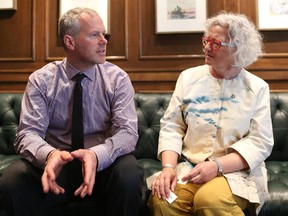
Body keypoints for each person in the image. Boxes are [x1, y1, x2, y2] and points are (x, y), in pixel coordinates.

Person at [0, 7, 143, 216]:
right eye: (95, 35)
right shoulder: (41, 80)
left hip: (103, 165)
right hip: (58, 165)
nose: (104, 41)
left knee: (129, 173)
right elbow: (27, 133)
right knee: (13, 179)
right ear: (70, 42)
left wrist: (95, 155)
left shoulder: (117, 78)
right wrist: (50, 155)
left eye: (104, 34)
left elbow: (127, 133)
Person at [148, 11, 274, 216]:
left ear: (238, 50)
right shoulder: (188, 78)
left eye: (216, 43)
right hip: (190, 168)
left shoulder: (257, 87)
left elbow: (261, 141)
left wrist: (217, 166)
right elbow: (172, 126)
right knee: (163, 201)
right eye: (206, 40)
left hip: (236, 172)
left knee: (209, 200)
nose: (207, 47)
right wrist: (169, 168)